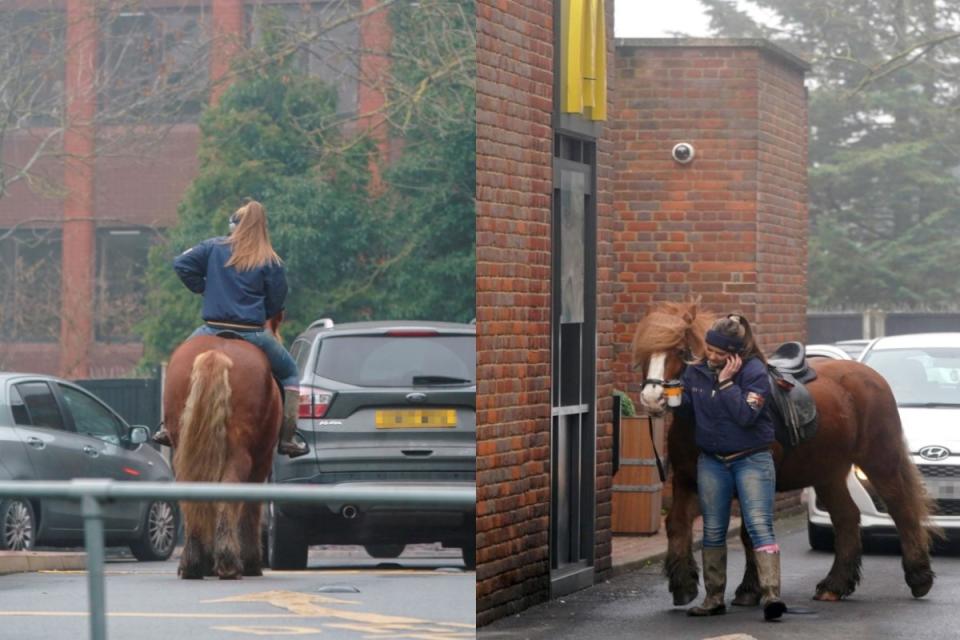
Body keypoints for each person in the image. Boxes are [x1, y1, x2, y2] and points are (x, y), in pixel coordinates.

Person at [152, 201, 309, 459]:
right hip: (253, 333)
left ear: (233, 226)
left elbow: (181, 264)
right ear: (262, 228)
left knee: (177, 366)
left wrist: (204, 288)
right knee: (291, 373)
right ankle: (288, 437)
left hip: (210, 329)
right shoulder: (270, 259)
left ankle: (168, 428)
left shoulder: (213, 247)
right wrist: (260, 310)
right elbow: (278, 300)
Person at [675, 314, 786, 621]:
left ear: (735, 354)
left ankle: (771, 596)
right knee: (712, 529)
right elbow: (689, 412)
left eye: (719, 353)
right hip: (712, 460)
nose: (711, 356)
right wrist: (673, 400)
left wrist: (725, 383)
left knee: (759, 523)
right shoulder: (695, 372)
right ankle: (713, 598)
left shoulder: (753, 372)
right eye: (709, 349)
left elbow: (746, 415)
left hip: (752, 458)